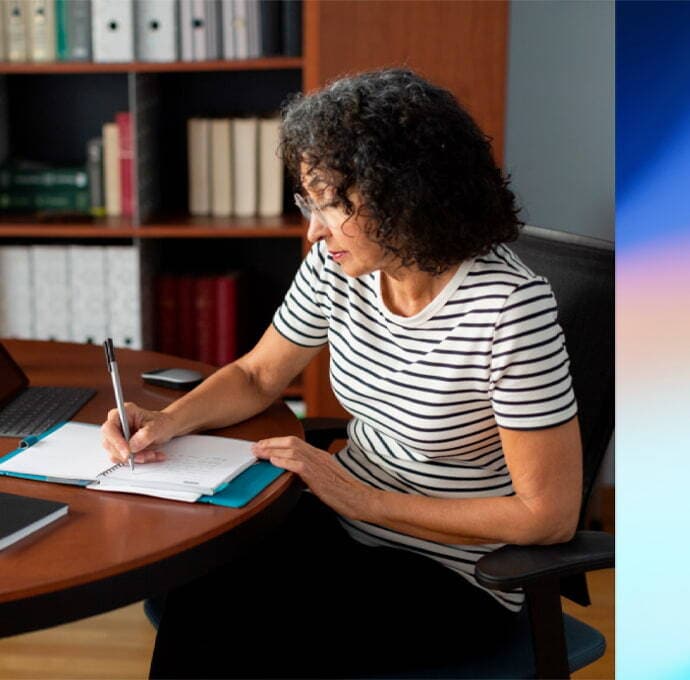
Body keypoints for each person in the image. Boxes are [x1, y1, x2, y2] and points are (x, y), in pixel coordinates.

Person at [101, 68, 582, 679]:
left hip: (454, 575)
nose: (313, 229)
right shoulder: (341, 266)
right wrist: (165, 422)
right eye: (310, 201)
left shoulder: (509, 308)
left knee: (219, 616)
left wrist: (361, 498)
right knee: (196, 571)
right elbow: (256, 376)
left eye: (332, 203)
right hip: (340, 524)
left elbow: (548, 515)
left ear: (405, 193)